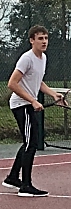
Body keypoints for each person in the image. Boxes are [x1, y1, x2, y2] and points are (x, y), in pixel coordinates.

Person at [2, 25, 63, 197]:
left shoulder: (43, 58)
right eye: (40, 38)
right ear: (32, 40)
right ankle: (25, 186)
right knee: (32, 143)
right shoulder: (26, 59)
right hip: (21, 105)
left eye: (46, 38)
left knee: (30, 142)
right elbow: (12, 84)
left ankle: (13, 178)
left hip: (28, 104)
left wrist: (53, 94)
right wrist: (33, 101)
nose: (44, 42)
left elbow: (38, 82)